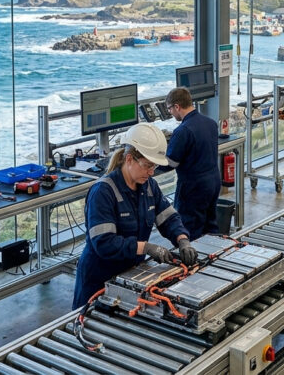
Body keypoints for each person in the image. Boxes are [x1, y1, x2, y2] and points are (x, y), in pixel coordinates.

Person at [72, 123, 197, 309]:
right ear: (129, 159)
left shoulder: (149, 186)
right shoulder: (103, 192)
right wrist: (145, 247)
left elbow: (168, 218)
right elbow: (104, 243)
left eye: (154, 166)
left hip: (130, 277)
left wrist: (182, 239)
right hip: (99, 281)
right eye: (147, 166)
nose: (151, 172)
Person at [165, 87, 221, 240]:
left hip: (193, 187)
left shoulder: (183, 131)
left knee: (190, 229)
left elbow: (171, 163)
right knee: (211, 226)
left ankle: (194, 261)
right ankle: (215, 256)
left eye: (169, 109)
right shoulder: (210, 123)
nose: (170, 113)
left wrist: (154, 158)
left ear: (177, 106)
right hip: (214, 181)